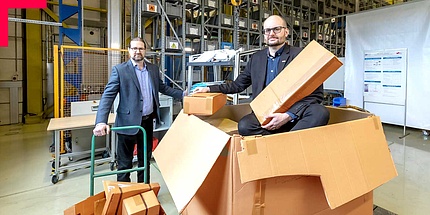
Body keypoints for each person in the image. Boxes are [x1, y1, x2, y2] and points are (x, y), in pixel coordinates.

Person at [193, 15, 329, 136]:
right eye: (268, 30)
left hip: (295, 116)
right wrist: (209, 89)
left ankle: (287, 141)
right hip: (266, 115)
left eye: (277, 29)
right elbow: (237, 85)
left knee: (320, 112)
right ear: (264, 34)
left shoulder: (301, 55)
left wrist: (288, 116)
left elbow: (316, 95)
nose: (272, 33)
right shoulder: (256, 58)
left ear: (286, 31)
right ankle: (285, 138)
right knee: (245, 125)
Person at [93, 37, 184, 183]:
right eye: (134, 48)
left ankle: (144, 190)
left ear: (145, 51)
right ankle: (125, 195)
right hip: (127, 124)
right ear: (129, 50)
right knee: (124, 164)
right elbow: (107, 96)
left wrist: (183, 94)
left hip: (147, 123)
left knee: (145, 161)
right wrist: (100, 122)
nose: (137, 51)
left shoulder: (153, 69)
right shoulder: (120, 70)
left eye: (140, 48)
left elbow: (163, 88)